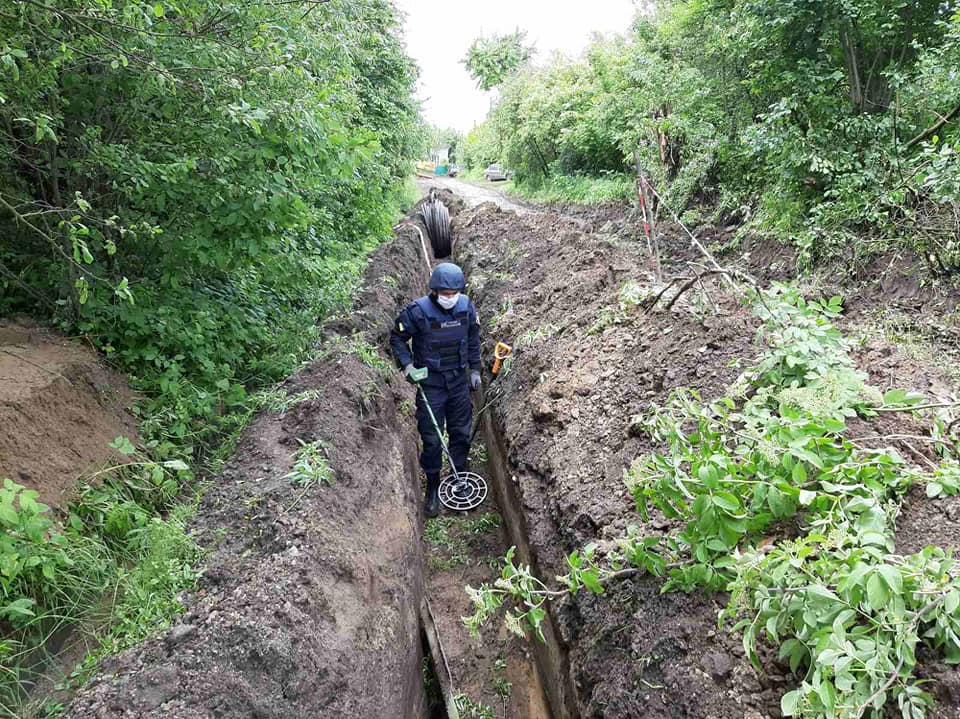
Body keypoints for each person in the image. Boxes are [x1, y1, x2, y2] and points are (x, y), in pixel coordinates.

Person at [390, 262, 482, 517]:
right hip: (431, 384)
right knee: (431, 439)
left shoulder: (466, 307)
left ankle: (459, 479)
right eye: (445, 294)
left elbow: (473, 338)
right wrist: (407, 365)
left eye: (454, 294)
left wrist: (475, 370)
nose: (450, 299)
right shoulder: (417, 311)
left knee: (461, 433)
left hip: (458, 382)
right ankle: (433, 487)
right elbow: (397, 337)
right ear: (434, 291)